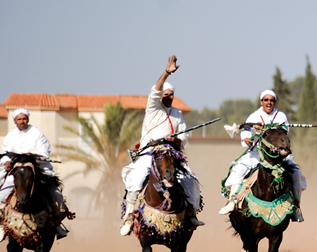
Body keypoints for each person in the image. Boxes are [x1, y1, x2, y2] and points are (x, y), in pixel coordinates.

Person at [119, 55, 204, 236]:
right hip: (150, 154)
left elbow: (184, 137)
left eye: (170, 95)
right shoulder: (152, 108)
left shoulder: (178, 114)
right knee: (137, 176)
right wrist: (166, 73)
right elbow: (155, 91)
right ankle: (128, 217)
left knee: (190, 179)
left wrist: (176, 141)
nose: (167, 97)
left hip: (172, 155)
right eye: (165, 94)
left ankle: (190, 214)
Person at [218, 90, 306, 221]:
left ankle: (296, 207)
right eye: (266, 100)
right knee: (238, 170)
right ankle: (232, 202)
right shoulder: (254, 116)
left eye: (271, 100)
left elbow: (283, 133)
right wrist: (247, 139)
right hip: (256, 153)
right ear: (261, 102)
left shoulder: (280, 116)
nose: (269, 103)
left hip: (278, 155)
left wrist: (269, 129)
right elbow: (246, 133)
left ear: (274, 102)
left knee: (297, 175)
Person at [0, 108, 70, 242]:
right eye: (19, 119)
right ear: (14, 121)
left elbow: (45, 152)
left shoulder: (37, 133)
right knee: (0, 196)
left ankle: (57, 224)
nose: (22, 121)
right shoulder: (10, 136)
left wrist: (31, 156)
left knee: (56, 193)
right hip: (17, 171)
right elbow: (5, 154)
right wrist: (6, 163)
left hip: (38, 169)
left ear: (27, 119)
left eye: (24, 119)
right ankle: (1, 226)